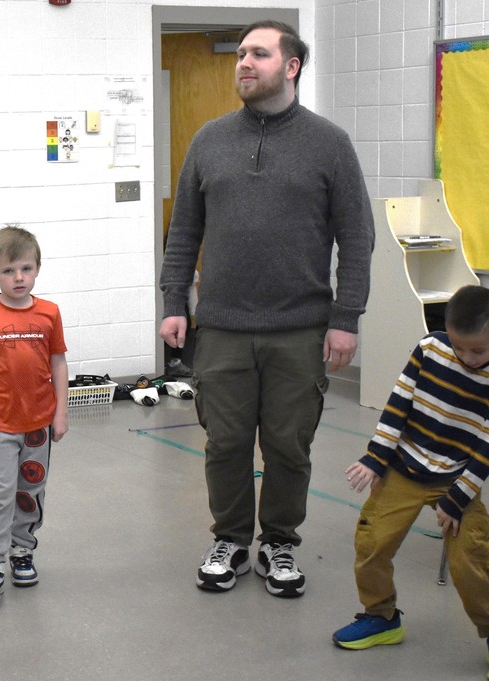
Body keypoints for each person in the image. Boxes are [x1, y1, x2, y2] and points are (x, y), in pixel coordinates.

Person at [158, 19, 374, 597]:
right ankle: (230, 539)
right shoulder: (208, 140)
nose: (244, 63)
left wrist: (345, 316)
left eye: (259, 54)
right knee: (225, 443)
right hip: (223, 328)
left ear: (292, 66)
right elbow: (183, 230)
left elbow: (357, 236)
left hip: (300, 330)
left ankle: (279, 542)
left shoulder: (330, 144)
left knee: (287, 446)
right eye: (241, 55)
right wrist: (175, 299)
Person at [334, 285, 489, 680]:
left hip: (457, 479)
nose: (467, 359)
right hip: (404, 468)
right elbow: (397, 406)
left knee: (470, 561)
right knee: (371, 544)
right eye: (460, 348)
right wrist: (376, 458)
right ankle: (381, 616)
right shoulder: (429, 349)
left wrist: (456, 500)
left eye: (479, 351)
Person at [0, 225, 69, 602]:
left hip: (38, 422)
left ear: (37, 269)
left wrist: (61, 413)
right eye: (8, 271)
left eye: (25, 268)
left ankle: (22, 551)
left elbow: (58, 363)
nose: (18, 278)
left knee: (30, 492)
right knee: (0, 492)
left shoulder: (49, 314)